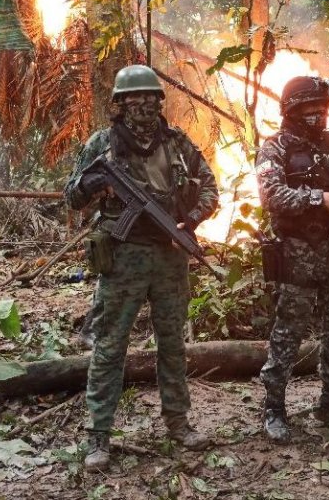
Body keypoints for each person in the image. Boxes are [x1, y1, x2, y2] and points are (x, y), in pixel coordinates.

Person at [65, 65, 220, 471]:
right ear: (119, 104)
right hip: (123, 257)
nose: (144, 105)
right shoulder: (102, 144)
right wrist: (96, 184)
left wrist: (190, 221)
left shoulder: (176, 142)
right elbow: (72, 196)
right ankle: (98, 435)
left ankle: (179, 424)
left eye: (151, 97)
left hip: (170, 257)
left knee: (173, 344)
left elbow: (210, 186)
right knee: (110, 346)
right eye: (134, 99)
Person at [255, 75, 329, 443]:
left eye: (321, 109)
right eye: (308, 109)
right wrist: (320, 199)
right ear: (292, 110)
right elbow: (272, 196)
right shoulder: (275, 148)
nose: (316, 115)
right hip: (297, 251)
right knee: (288, 332)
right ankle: (275, 409)